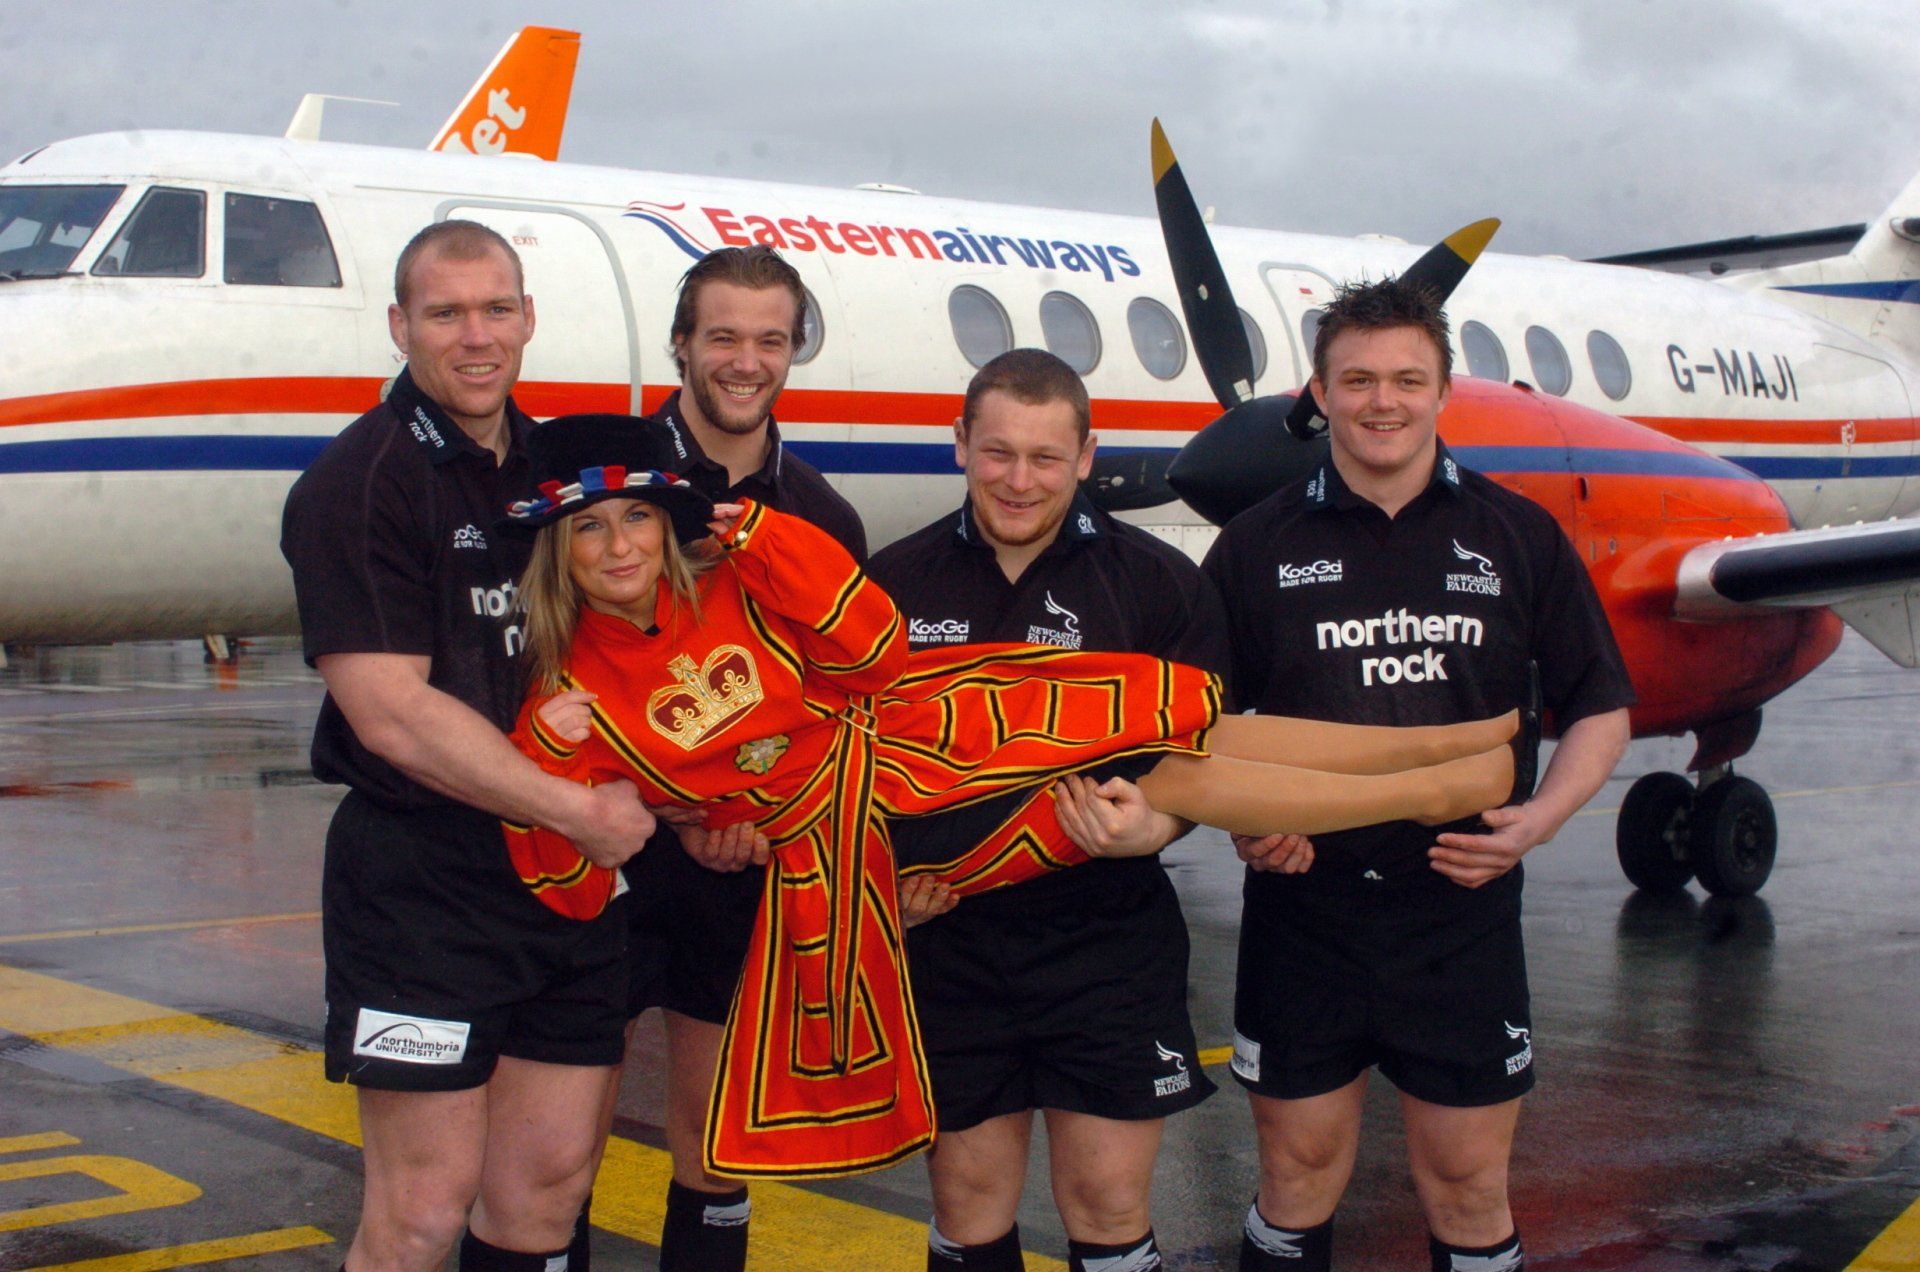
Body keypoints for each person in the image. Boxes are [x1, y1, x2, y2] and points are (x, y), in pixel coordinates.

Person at [494, 412, 1523, 1185]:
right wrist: (553, 757)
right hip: (883, 831)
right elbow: (568, 881)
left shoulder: (736, 576)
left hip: (921, 720)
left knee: (1172, 715)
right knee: (1171, 770)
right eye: (589, 529)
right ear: (554, 549)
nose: (619, 547)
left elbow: (870, 648)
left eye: (637, 517)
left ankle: (1437, 749)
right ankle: (1430, 782)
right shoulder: (564, 694)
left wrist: (766, 537)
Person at [1202, 277, 1633, 1272]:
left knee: (1469, 1184)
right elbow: (1193, 723)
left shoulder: (1517, 535)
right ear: (1321, 393)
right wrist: (1245, 818)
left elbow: (1601, 705)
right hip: (1304, 914)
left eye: (1406, 379)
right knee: (1296, 1176)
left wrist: (1540, 820)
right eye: (1357, 380)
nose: (1382, 401)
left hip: (1459, 914)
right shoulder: (1257, 544)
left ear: (1443, 390)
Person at [280, 221, 655, 1272]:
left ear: (528, 318)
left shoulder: (561, 473)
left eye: (496, 309)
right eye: (445, 313)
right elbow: (391, 714)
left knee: (545, 1195)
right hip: (425, 891)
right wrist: (576, 809)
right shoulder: (360, 482)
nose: (476, 336)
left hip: (570, 888)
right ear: (400, 326)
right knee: (420, 1213)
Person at [866, 348, 1249, 1272]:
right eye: (998, 452)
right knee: (968, 1201)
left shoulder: (1158, 583)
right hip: (948, 946)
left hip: (1106, 942)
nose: (1019, 480)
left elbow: (1209, 753)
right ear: (960, 444)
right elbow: (847, 767)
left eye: (1045, 457)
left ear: (1085, 457)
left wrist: (1155, 826)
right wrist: (886, 884)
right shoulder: (889, 585)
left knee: (1107, 1202)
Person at [616, 244, 868, 1271]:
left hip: (737, 866)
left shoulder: (824, 516)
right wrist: (664, 808)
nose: (746, 361)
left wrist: (762, 819)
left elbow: (840, 707)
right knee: (549, 1143)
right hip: (598, 849)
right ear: (681, 344)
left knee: (712, 1138)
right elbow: (544, 666)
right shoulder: (603, 483)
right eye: (722, 336)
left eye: (770, 339)